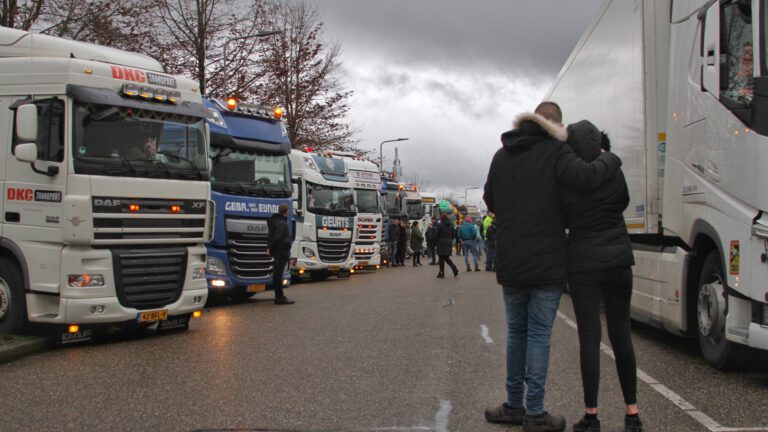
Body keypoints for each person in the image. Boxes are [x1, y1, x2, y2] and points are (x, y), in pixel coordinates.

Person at [483, 101, 621, 432]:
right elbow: (587, 178)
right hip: (547, 260)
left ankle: (513, 405)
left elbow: (489, 199)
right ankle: (534, 413)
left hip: (512, 259)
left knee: (516, 332)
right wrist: (611, 157)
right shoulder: (557, 153)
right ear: (557, 126)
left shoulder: (501, 155)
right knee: (539, 334)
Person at [563, 120, 640, 432]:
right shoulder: (613, 169)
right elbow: (623, 202)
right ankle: (632, 414)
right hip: (619, 259)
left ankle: (591, 415)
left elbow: (564, 215)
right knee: (622, 335)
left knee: (589, 338)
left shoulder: (568, 177)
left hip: (584, 263)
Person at [267, 204, 295, 305]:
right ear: (286, 211)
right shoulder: (281, 222)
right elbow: (278, 237)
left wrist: (270, 248)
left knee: (277, 274)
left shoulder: (274, 221)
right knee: (278, 275)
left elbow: (271, 236)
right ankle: (279, 297)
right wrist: (287, 244)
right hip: (281, 251)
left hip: (278, 250)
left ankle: (278, 296)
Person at [434, 211, 459, 278]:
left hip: (441, 243)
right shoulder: (451, 225)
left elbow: (436, 235)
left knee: (442, 258)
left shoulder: (440, 225)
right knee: (446, 258)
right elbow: (454, 234)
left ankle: (443, 273)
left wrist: (436, 242)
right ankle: (452, 269)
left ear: (441, 218)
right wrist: (450, 240)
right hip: (449, 242)